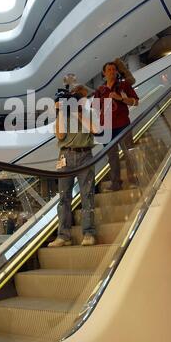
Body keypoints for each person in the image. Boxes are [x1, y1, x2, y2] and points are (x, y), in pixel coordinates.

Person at [48, 84, 99, 247]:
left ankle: (89, 233)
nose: (78, 99)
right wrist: (60, 111)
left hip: (85, 155)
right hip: (65, 156)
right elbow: (60, 134)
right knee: (63, 197)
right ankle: (63, 236)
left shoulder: (90, 113)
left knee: (87, 195)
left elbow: (96, 130)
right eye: (75, 96)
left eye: (81, 96)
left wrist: (78, 112)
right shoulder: (63, 114)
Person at [94, 60, 139, 191]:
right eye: (109, 70)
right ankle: (116, 183)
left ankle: (134, 180)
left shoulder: (123, 86)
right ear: (104, 73)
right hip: (106, 127)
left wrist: (120, 98)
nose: (112, 72)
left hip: (122, 124)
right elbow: (96, 108)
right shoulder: (100, 90)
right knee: (112, 157)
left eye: (114, 69)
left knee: (128, 152)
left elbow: (135, 102)